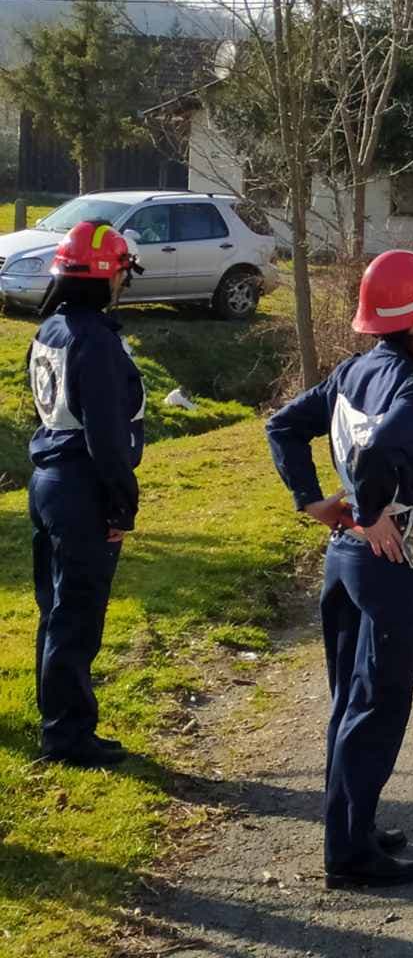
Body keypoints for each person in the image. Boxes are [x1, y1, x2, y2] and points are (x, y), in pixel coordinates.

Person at [266, 250, 413, 890]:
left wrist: (316, 503)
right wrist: (370, 511)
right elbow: (379, 451)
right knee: (377, 704)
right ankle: (348, 856)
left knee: (351, 699)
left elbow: (284, 426)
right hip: (386, 554)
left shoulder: (352, 370)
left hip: (344, 558)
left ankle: (353, 824)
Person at [29, 222, 145, 769]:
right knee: (76, 617)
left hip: (49, 481)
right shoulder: (95, 340)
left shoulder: (51, 327)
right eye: (122, 270)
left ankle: (60, 721)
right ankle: (68, 735)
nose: (125, 280)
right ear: (108, 275)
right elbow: (106, 435)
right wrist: (122, 502)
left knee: (55, 613)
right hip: (81, 489)